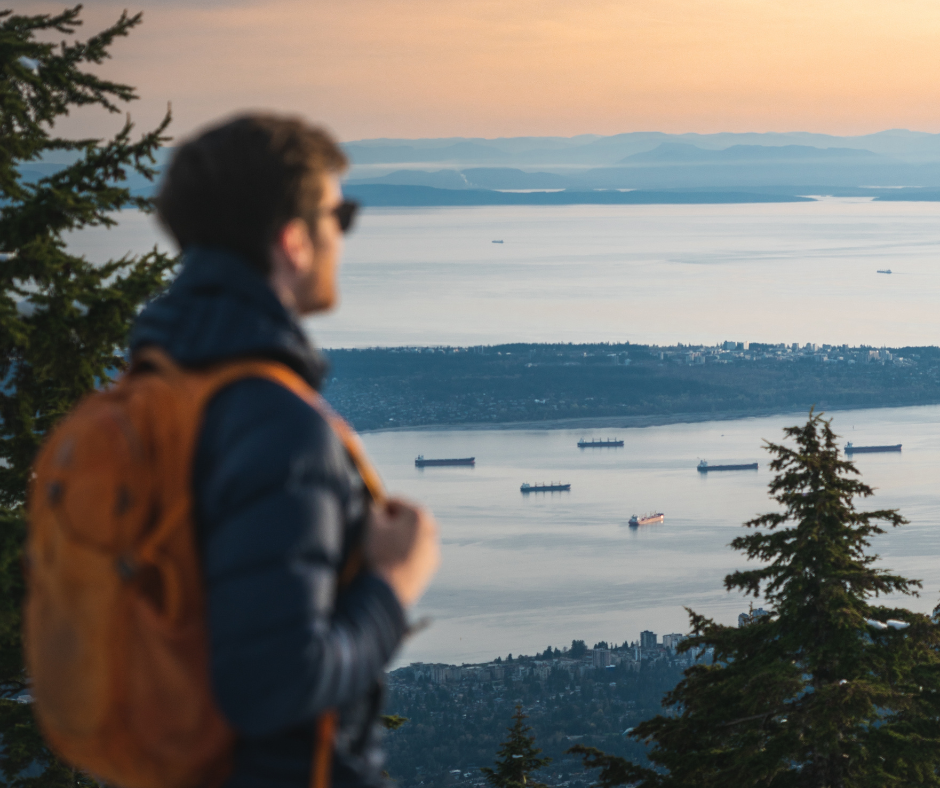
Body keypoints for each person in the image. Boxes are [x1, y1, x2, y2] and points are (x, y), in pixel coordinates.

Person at [130, 115, 440, 788]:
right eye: (341, 214)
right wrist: (395, 583)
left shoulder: (153, 397)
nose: (343, 235)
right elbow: (272, 684)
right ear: (293, 240)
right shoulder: (275, 425)